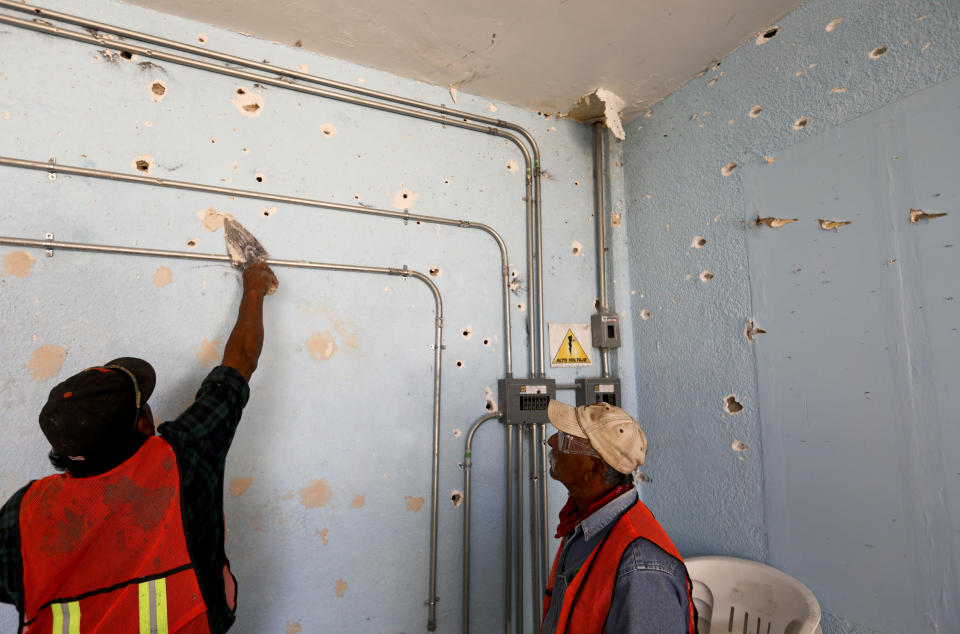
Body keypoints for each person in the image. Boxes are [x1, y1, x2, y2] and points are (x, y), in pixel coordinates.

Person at [0, 261, 278, 633]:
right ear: (144, 422)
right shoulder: (183, 456)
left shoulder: (25, 511)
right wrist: (255, 284)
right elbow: (240, 361)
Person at [541, 399, 697, 634]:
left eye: (566, 439)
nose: (552, 441)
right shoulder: (586, 524)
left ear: (594, 468)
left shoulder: (641, 567)